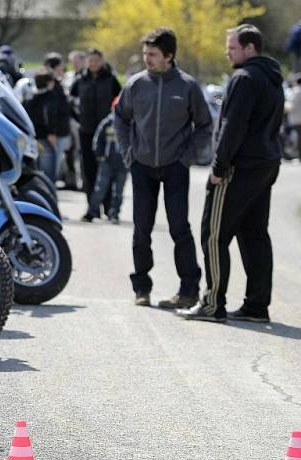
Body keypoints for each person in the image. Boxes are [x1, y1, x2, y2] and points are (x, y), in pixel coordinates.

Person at [180, 24, 284, 323]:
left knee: (213, 234)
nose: (228, 52)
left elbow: (232, 127)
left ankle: (212, 305)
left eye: (233, 48)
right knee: (254, 234)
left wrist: (218, 168)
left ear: (250, 48)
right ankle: (256, 306)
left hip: (240, 166)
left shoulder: (244, 77)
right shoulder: (272, 78)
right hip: (266, 164)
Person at [114, 27, 212, 308]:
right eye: (145, 53)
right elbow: (120, 118)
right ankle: (141, 288)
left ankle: (189, 290)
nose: (147, 58)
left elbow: (204, 125)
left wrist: (188, 156)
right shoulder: (136, 84)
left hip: (175, 166)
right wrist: (128, 152)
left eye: (153, 54)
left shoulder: (187, 86)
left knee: (179, 227)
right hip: (142, 165)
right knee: (141, 229)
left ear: (169, 56)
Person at [70, 48, 122, 208]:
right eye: (91, 61)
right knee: (88, 169)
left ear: (102, 61)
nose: (93, 64)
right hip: (86, 130)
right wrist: (79, 119)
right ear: (87, 62)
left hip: (107, 133)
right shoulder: (80, 80)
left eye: (96, 60)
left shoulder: (111, 79)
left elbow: (120, 101)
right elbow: (71, 101)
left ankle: (107, 205)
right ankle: (92, 206)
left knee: (106, 169)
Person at [82, 97, 127, 224]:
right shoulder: (107, 123)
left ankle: (114, 213)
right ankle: (92, 211)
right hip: (107, 161)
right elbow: (97, 140)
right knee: (100, 188)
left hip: (123, 162)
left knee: (118, 191)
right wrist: (99, 155)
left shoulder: (130, 124)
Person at [41, 53, 72, 183]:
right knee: (51, 170)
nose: (63, 69)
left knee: (54, 169)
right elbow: (50, 110)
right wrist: (52, 132)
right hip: (55, 134)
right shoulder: (51, 85)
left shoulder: (57, 83)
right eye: (60, 66)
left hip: (59, 132)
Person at [63, 50, 86, 191]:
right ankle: (70, 181)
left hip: (81, 119)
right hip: (68, 119)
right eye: (73, 61)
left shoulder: (86, 77)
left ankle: (84, 181)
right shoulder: (68, 77)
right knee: (69, 151)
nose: (75, 64)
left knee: (82, 152)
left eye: (78, 61)